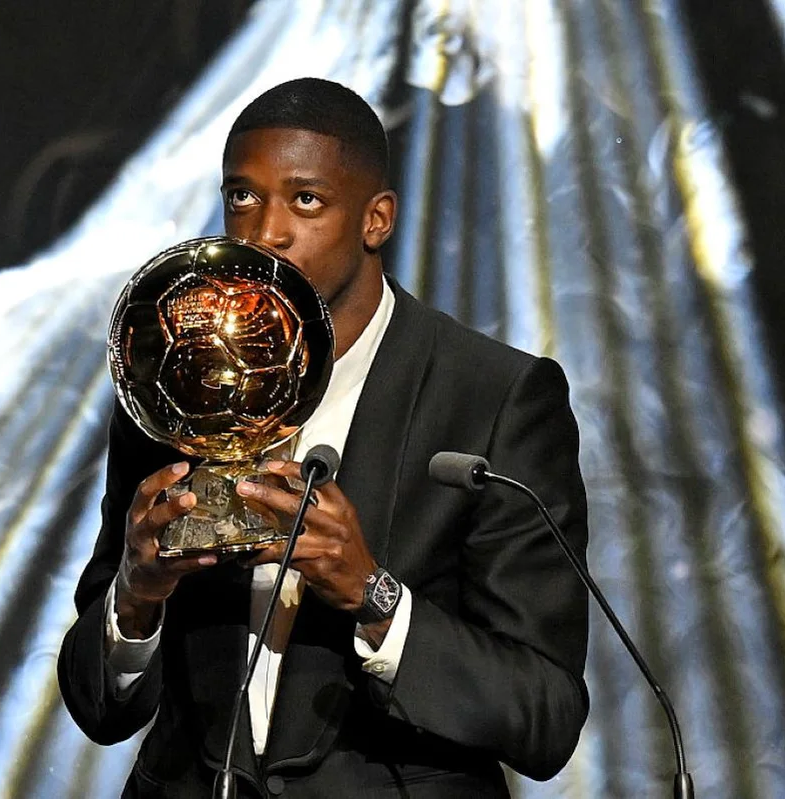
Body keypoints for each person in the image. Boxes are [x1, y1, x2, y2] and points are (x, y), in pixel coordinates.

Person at [58, 77, 590, 798]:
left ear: (376, 219)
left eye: (305, 200)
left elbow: (545, 715)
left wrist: (373, 594)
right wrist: (135, 594)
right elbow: (99, 705)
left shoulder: (495, 398)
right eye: (242, 197)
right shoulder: (173, 389)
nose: (265, 233)